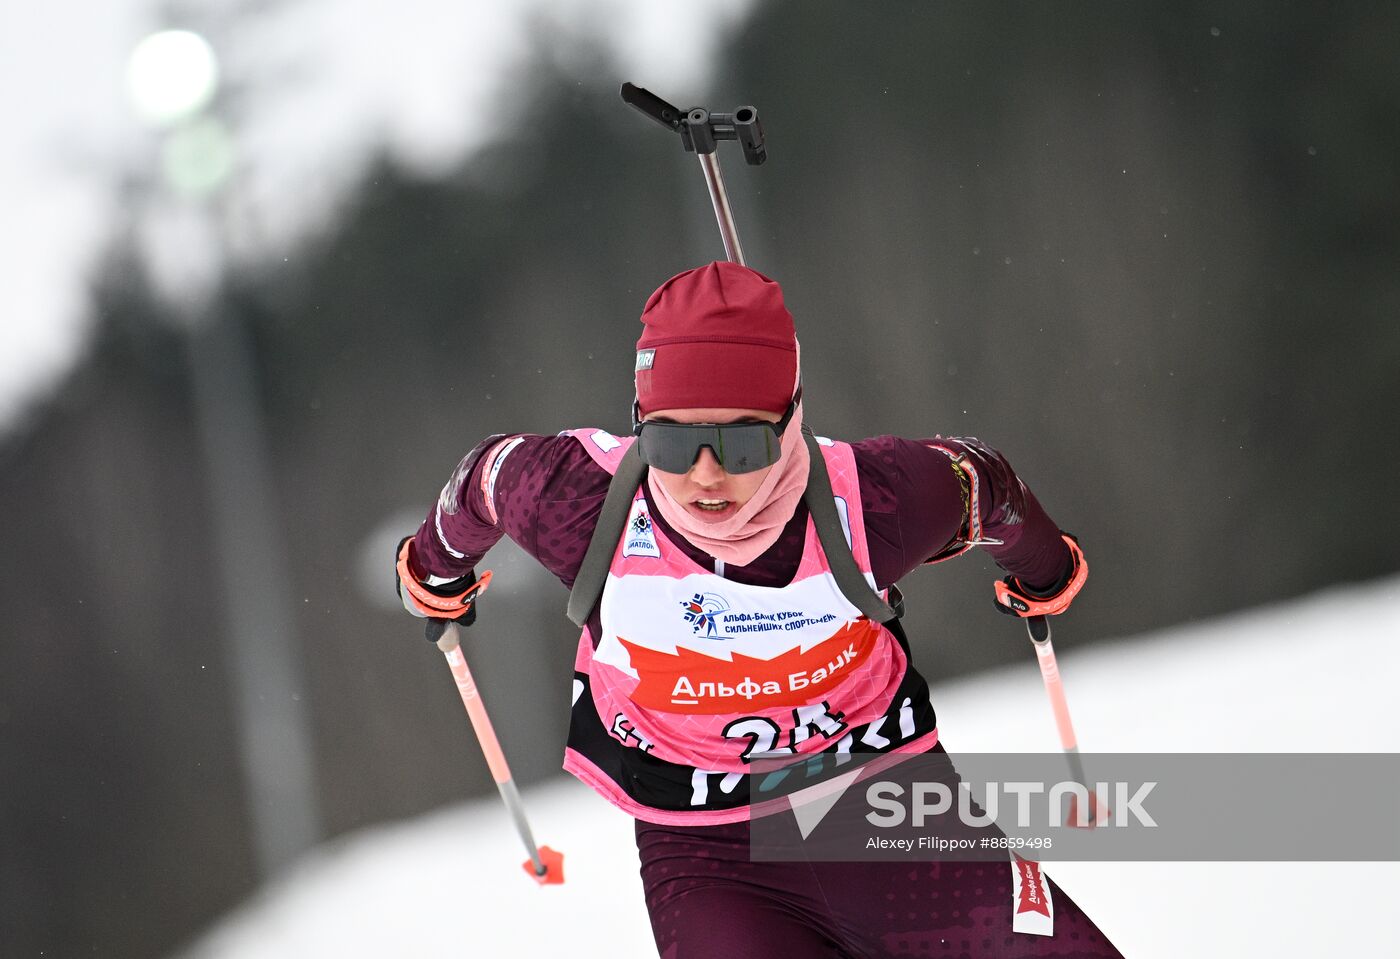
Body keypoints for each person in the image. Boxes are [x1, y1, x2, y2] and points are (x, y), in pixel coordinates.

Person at [395, 262, 1122, 958]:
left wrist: (1045, 567)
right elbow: (479, 483)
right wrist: (433, 566)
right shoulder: (578, 500)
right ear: (640, 422)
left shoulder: (874, 499)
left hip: (886, 807)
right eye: (673, 442)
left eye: (740, 443)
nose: (704, 477)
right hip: (708, 852)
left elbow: (987, 485)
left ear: (789, 418)